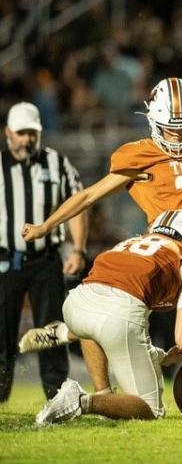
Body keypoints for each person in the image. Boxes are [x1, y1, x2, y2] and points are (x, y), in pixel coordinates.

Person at [21, 78, 182, 417]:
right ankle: (99, 389)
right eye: (170, 130)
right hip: (169, 250)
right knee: (123, 306)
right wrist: (46, 226)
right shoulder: (139, 155)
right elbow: (88, 195)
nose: (178, 138)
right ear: (154, 121)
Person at [21, 211, 182, 423]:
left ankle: (68, 338)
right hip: (115, 315)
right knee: (150, 409)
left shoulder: (129, 243)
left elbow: (129, 324)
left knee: (97, 325)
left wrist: (163, 357)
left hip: (77, 303)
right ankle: (81, 400)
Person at [0, 102, 87, 403]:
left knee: (52, 331)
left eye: (32, 133)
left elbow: (78, 205)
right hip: (5, 260)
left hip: (46, 259)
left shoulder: (57, 163)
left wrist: (78, 249)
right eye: (21, 132)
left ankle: (57, 394)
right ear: (8, 132)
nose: (27, 139)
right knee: (1, 332)